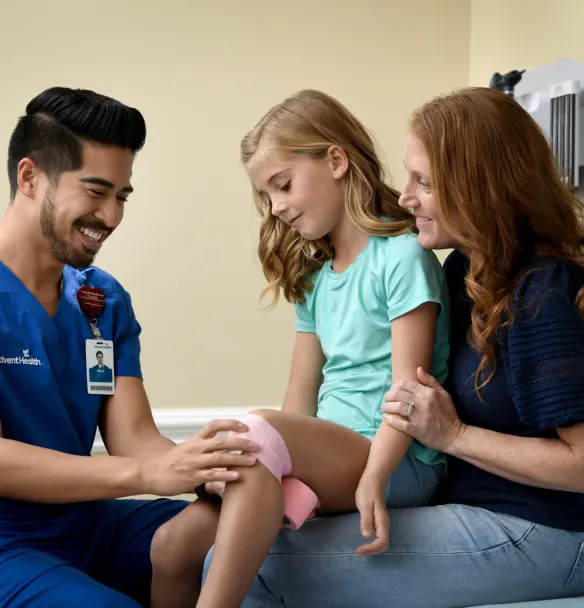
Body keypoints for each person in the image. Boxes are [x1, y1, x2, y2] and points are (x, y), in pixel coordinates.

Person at [0, 86, 261, 608]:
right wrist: (149, 474)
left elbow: (135, 439)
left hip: (88, 528)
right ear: (29, 177)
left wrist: (212, 470)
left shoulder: (102, 299)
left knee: (243, 532)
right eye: (95, 191)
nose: (111, 216)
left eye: (122, 196)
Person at [230, 86, 584, 607]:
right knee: (236, 548)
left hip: (547, 530)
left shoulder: (544, 291)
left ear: (480, 188)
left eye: (425, 183)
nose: (404, 197)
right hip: (468, 504)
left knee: (259, 569)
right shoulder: (465, 270)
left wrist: (455, 436)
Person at [149, 90, 452, 608]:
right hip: (333, 454)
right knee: (173, 545)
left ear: (335, 161)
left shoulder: (402, 258)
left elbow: (409, 395)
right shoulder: (315, 279)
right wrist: (277, 456)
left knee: (256, 430)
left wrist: (373, 477)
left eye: (283, 184)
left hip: (397, 458)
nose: (276, 207)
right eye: (266, 195)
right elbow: (301, 391)